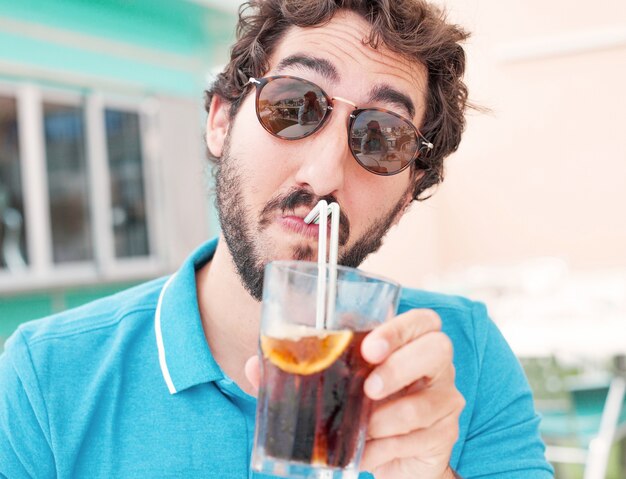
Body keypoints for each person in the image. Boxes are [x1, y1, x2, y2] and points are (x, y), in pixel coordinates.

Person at [0, 1, 554, 478]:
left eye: (383, 137)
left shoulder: (464, 358)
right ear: (220, 122)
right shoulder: (44, 378)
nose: (324, 173)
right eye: (294, 104)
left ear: (408, 191)